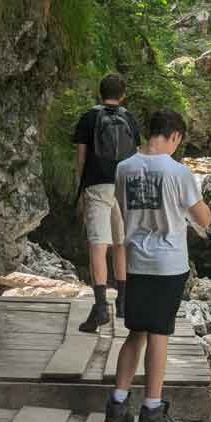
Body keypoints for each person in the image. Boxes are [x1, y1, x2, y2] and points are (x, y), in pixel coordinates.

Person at [103, 110, 211, 422]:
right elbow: (203, 219)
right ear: (175, 136)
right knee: (159, 335)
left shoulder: (124, 169)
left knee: (136, 333)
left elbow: (125, 210)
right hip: (167, 264)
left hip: (136, 261)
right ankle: (151, 412)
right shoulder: (179, 172)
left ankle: (117, 408)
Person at [73, 73, 142, 332]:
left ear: (99, 92)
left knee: (98, 245)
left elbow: (81, 158)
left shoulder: (89, 118)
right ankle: (123, 303)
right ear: (123, 94)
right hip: (125, 186)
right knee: (121, 242)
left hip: (97, 185)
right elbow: (136, 155)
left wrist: (81, 188)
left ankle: (101, 306)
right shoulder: (129, 118)